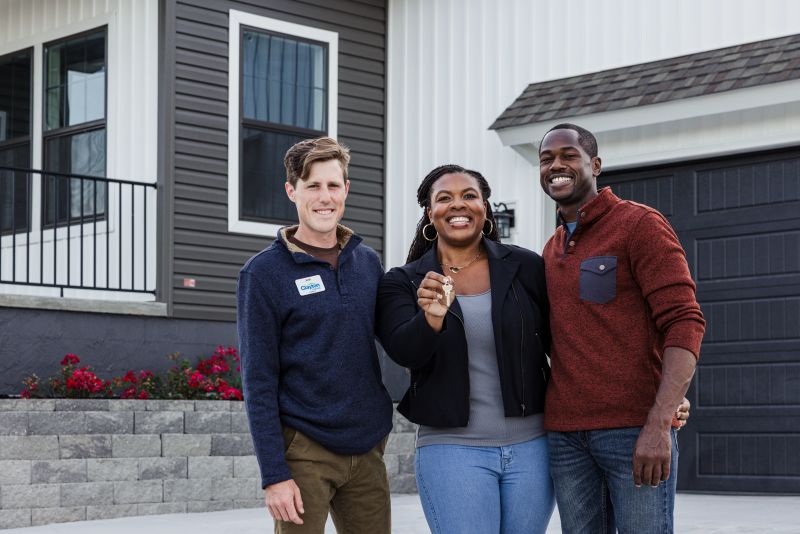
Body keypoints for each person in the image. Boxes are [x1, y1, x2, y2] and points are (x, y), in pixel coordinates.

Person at [538, 123, 706, 533]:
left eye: (568, 155)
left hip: (633, 433)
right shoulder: (551, 249)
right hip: (566, 439)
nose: (556, 165)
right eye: (546, 159)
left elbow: (684, 322)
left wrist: (659, 421)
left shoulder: (638, 225)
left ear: (595, 165)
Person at [376, 164, 555, 534]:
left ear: (485, 208)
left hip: (533, 450)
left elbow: (568, 345)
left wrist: (650, 393)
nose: (458, 205)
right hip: (451, 450)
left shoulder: (525, 267)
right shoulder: (404, 281)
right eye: (444, 198)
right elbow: (404, 352)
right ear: (430, 213)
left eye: (469, 196)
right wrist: (431, 319)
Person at [237, 137, 394, 534]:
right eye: (312, 186)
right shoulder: (263, 273)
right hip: (304, 450)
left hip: (368, 446)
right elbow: (258, 380)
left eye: (333, 185)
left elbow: (396, 338)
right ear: (292, 192)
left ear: (346, 190)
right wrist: (274, 474)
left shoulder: (367, 262)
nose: (324, 197)